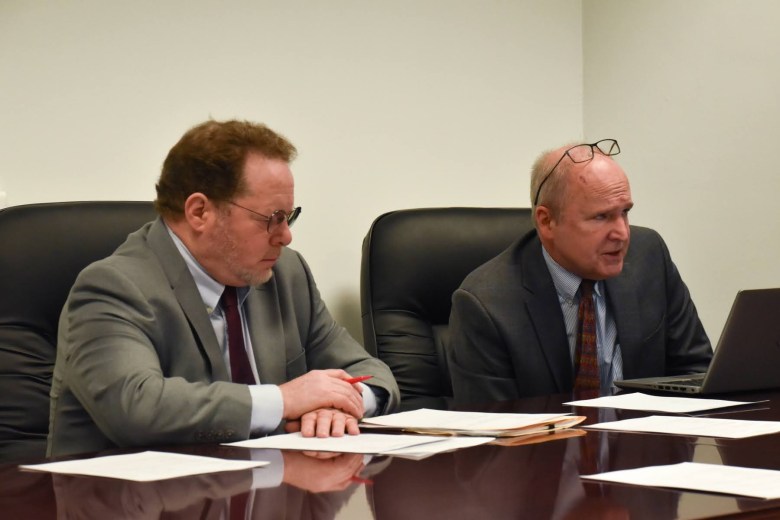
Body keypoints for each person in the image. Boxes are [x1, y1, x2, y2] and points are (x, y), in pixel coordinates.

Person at [47, 119, 399, 457]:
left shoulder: (286, 273)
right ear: (200, 212)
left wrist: (342, 407)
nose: (286, 235)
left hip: (269, 491)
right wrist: (284, 400)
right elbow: (138, 407)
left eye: (289, 217)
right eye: (272, 218)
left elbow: (371, 372)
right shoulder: (112, 288)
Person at [447, 139, 712, 405]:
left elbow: (696, 373)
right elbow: (493, 426)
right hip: (543, 445)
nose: (622, 233)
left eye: (625, 212)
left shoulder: (649, 257)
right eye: (601, 217)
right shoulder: (486, 304)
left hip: (647, 441)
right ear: (546, 221)